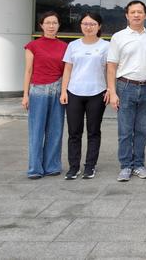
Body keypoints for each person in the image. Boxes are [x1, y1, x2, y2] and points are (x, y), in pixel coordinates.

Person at [107, 0, 146, 182]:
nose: (136, 15)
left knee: (142, 130)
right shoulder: (118, 37)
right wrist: (112, 92)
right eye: (133, 12)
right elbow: (111, 66)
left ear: (145, 15)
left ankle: (138, 164)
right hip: (125, 87)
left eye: (140, 12)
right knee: (125, 130)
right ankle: (125, 166)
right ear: (127, 15)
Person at [60, 12, 110, 180]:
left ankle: (90, 166)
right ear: (81, 25)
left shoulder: (106, 46)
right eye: (85, 24)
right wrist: (63, 91)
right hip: (74, 92)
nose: (89, 27)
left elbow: (110, 70)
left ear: (99, 26)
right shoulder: (73, 45)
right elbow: (67, 69)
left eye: (92, 24)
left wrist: (110, 89)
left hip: (97, 92)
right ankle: (73, 167)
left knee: (93, 131)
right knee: (74, 132)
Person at [22, 11, 68, 179]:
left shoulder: (65, 46)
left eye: (54, 23)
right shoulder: (32, 46)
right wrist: (25, 94)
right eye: (47, 23)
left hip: (57, 90)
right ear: (41, 25)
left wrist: (64, 91)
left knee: (55, 130)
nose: (51, 26)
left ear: (58, 25)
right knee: (36, 131)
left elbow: (67, 72)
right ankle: (35, 169)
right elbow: (28, 71)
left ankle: (52, 166)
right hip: (38, 91)